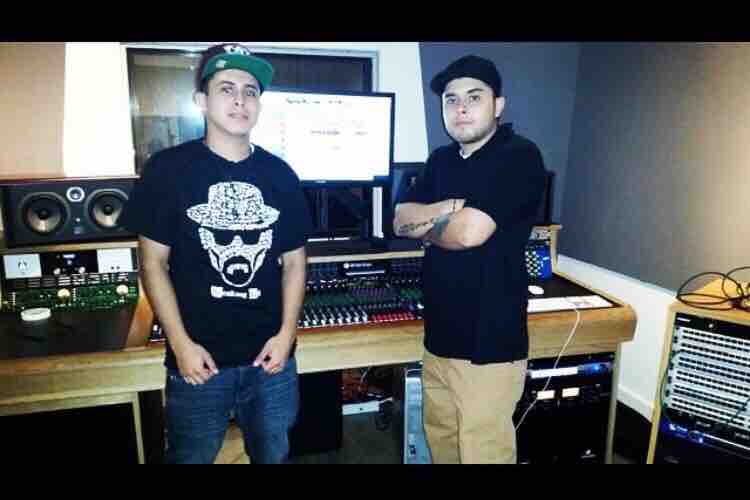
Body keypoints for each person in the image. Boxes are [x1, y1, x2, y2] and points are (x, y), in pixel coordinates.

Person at [120, 43, 312, 464]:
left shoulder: (281, 175)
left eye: (250, 90)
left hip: (270, 363)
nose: (240, 99)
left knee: (274, 456)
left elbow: (295, 263)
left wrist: (286, 336)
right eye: (227, 88)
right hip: (198, 362)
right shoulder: (167, 171)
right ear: (201, 101)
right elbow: (152, 263)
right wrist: (181, 344)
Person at [393, 55, 546, 463]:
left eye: (474, 97)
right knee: (441, 444)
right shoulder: (440, 160)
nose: (460, 108)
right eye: (451, 99)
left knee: (483, 452)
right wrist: (453, 207)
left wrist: (431, 226)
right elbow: (400, 220)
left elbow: (469, 233)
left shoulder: (518, 156)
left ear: (498, 105)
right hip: (439, 339)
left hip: (489, 344)